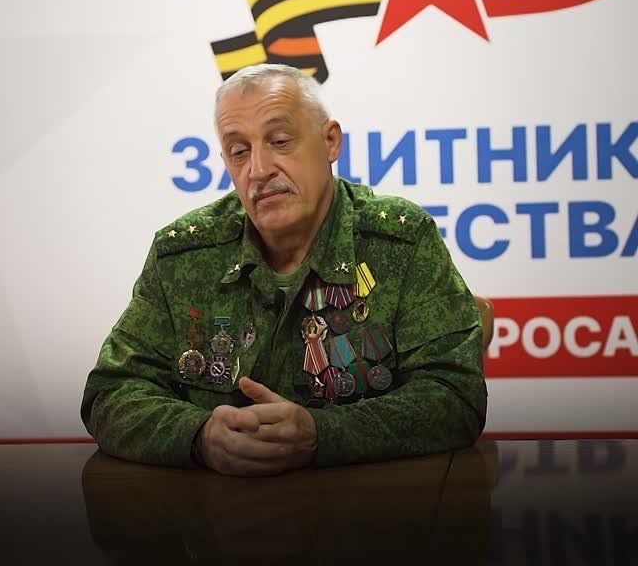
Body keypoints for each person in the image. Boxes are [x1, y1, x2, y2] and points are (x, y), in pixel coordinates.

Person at [81, 64, 487, 476]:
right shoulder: (183, 254)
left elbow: (455, 397)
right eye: (239, 152)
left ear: (330, 142)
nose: (258, 170)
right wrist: (199, 436)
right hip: (216, 506)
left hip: (365, 506)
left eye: (279, 141)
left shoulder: (400, 242)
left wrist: (322, 434)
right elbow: (111, 393)